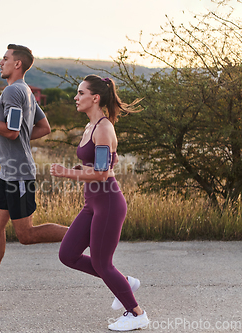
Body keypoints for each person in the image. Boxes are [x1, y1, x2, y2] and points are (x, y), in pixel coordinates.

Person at [0, 44, 68, 308]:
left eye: (5, 58)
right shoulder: (26, 92)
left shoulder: (13, 91)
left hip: (19, 174)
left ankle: (82, 233)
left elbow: (12, 132)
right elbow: (44, 127)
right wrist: (20, 139)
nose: (0, 62)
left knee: (26, 235)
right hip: (9, 173)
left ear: (17, 64)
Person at [50, 74, 150, 331]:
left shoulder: (104, 128)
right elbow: (94, 166)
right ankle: (124, 282)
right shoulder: (89, 127)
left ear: (95, 98)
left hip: (107, 199)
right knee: (68, 254)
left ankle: (136, 313)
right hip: (92, 202)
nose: (76, 97)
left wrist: (67, 173)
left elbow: (103, 173)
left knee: (101, 263)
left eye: (80, 93)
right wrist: (79, 168)